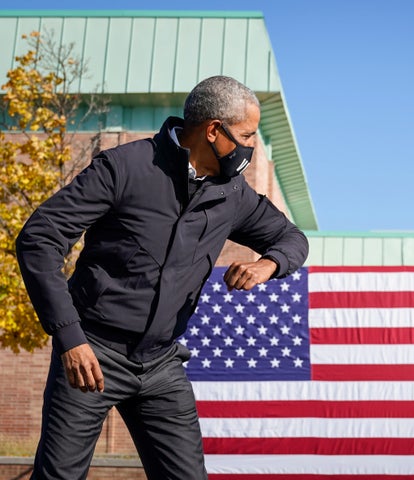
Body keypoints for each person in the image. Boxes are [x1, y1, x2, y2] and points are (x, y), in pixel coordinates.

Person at [16, 75, 309, 479]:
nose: (250, 147)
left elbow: (291, 238)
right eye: (246, 135)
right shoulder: (124, 168)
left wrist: (268, 264)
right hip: (92, 353)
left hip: (161, 364)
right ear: (213, 130)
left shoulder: (233, 193)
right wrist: (69, 337)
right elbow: (39, 239)